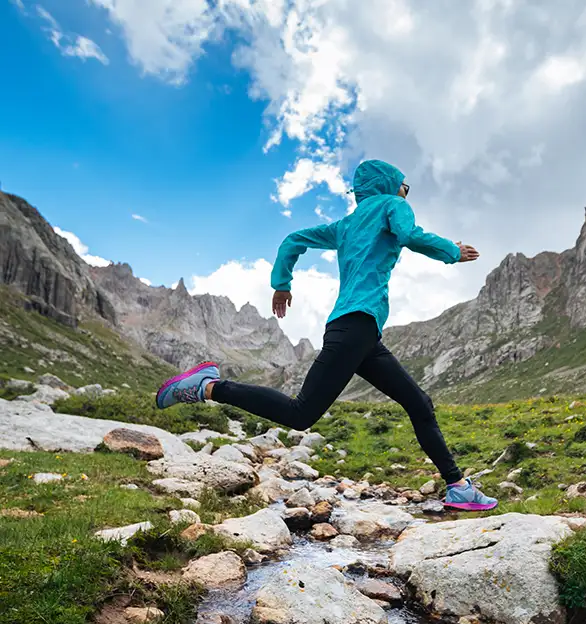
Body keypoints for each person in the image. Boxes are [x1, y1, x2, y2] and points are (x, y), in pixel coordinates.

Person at [156, 159, 497, 511]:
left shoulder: (346, 225)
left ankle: (457, 486)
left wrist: (281, 284)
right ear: (388, 184)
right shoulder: (393, 206)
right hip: (355, 328)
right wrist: (452, 252)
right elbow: (409, 235)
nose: (407, 190)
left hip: (361, 333)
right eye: (404, 184)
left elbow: (293, 240)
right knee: (301, 414)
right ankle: (208, 387)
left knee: (419, 403)